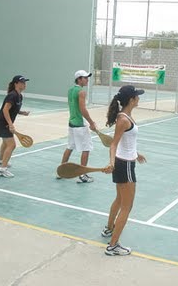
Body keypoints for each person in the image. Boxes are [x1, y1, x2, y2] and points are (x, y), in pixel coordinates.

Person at [101, 85, 146, 256]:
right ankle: (113, 246)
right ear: (131, 100)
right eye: (137, 96)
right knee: (127, 206)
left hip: (125, 161)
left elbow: (126, 142)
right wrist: (111, 162)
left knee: (119, 200)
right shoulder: (124, 120)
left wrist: (136, 154)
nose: (139, 98)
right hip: (124, 165)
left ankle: (109, 229)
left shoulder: (126, 116)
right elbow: (113, 144)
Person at [58, 70, 97, 183]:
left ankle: (61, 172)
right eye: (85, 78)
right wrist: (91, 122)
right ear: (79, 79)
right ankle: (82, 175)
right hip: (80, 125)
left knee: (70, 146)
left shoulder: (70, 90)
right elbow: (82, 109)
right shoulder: (81, 92)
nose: (87, 80)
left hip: (71, 123)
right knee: (86, 149)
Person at [0, 75, 30, 178]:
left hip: (4, 123)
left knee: (5, 144)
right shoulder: (12, 95)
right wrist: (10, 124)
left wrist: (22, 112)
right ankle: (2, 169)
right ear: (16, 84)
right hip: (2, 123)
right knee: (12, 145)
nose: (24, 84)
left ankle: (0, 162)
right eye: (22, 82)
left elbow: (13, 109)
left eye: (25, 82)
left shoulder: (19, 96)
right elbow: (5, 110)